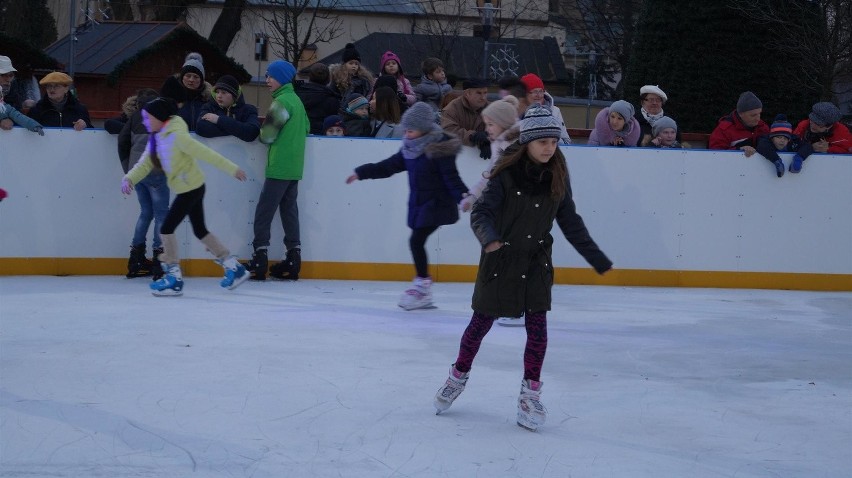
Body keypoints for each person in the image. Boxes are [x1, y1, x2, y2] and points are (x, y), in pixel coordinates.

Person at [432, 104, 612, 431]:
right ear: (528, 141)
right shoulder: (505, 174)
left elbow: (569, 220)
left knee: (538, 330)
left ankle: (530, 394)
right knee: (480, 324)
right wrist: (489, 240)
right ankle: (457, 376)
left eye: (554, 142)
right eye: (543, 141)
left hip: (536, 262)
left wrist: (596, 257)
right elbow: (481, 213)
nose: (550, 148)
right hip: (500, 259)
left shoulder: (558, 173)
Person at [345, 102, 470, 310]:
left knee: (416, 241)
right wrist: (361, 172)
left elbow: (451, 178)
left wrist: (464, 197)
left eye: (411, 129)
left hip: (437, 204)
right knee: (416, 242)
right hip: (420, 204)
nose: (407, 132)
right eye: (406, 129)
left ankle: (422, 287)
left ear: (425, 128)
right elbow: (387, 167)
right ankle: (423, 287)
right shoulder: (410, 149)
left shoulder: (439, 149)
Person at [120, 97, 249, 295]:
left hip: (191, 189)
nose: (145, 122)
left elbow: (206, 153)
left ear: (160, 118)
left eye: (148, 118)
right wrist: (129, 178)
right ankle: (233, 267)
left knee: (166, 228)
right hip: (188, 188)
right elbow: (145, 163)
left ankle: (173, 278)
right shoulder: (156, 137)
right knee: (200, 231)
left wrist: (233, 169)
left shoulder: (178, 137)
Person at [244, 60, 310, 281]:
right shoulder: (297, 102)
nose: (267, 80)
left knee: (264, 212)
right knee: (289, 211)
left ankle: (259, 257)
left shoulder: (281, 102)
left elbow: (267, 136)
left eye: (271, 76)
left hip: (279, 167)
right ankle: (293, 258)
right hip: (294, 167)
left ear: (282, 77)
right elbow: (307, 127)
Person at [117, 88, 169, 278]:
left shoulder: (134, 118)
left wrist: (129, 170)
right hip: (157, 172)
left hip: (138, 173)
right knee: (162, 215)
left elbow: (122, 142)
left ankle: (136, 258)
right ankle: (159, 259)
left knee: (146, 213)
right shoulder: (161, 117)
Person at [459, 95, 520, 213]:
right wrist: (472, 197)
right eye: (486, 124)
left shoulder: (519, 146)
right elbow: (490, 176)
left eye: (490, 124)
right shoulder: (499, 145)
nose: (486, 129)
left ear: (504, 123)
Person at [789, 102, 852, 173]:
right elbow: (791, 144)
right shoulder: (804, 125)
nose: (812, 124)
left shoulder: (841, 132)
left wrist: (829, 149)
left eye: (818, 123)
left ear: (829, 126)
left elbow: (848, 151)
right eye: (812, 120)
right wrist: (810, 147)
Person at [196, 75, 260, 142]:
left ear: (234, 96)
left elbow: (252, 132)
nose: (219, 96)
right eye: (217, 92)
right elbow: (201, 128)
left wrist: (218, 120)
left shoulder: (248, 110)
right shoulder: (208, 107)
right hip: (215, 152)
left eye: (224, 92)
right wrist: (239, 130)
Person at [441, 78, 491, 159]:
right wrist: (472, 136)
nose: (483, 97)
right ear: (467, 93)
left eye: (485, 93)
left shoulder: (492, 108)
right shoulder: (451, 109)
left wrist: (488, 141)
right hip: (458, 159)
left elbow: (503, 128)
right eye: (479, 93)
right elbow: (448, 130)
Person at [708, 91, 769, 156]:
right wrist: (738, 150)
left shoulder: (762, 127)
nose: (758, 119)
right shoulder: (724, 130)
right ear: (740, 114)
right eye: (753, 115)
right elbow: (714, 154)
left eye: (759, 113)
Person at [27, 72, 92, 130]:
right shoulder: (36, 110)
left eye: (56, 86)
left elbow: (92, 133)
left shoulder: (79, 109)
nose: (52, 89)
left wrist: (85, 125)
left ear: (66, 89)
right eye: (49, 86)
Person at [164, 52, 211, 131]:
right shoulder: (169, 99)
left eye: (196, 77)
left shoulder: (209, 102)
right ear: (182, 77)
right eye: (188, 76)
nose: (191, 80)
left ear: (201, 80)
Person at [519, 73, 571, 144]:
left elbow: (566, 142)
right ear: (524, 94)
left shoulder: (555, 111)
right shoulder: (515, 112)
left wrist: (549, 136)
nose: (539, 95)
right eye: (534, 91)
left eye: (541, 91)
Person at [295, 63, 341, 135]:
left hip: (299, 136)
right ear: (328, 79)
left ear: (309, 77)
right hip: (323, 139)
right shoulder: (333, 100)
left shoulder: (296, 96)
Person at [330, 43, 373, 110]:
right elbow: (333, 96)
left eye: (356, 64)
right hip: (342, 111)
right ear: (344, 64)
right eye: (351, 63)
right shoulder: (337, 79)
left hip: (361, 110)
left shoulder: (364, 80)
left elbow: (368, 95)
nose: (354, 66)